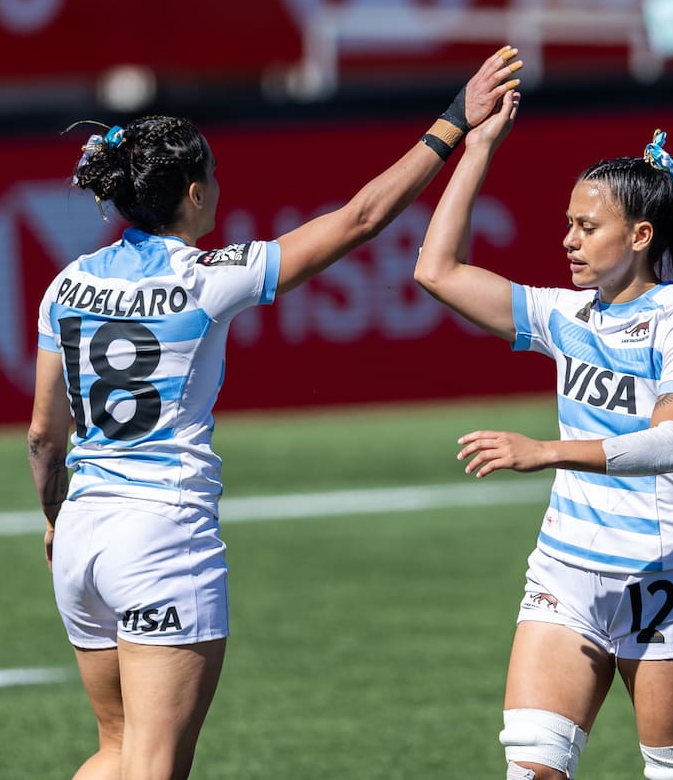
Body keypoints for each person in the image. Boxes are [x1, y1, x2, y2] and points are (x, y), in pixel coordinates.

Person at [27, 45, 523, 780]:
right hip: (159, 538)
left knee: (116, 751)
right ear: (192, 194)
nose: (220, 187)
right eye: (214, 176)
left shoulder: (66, 284)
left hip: (83, 539)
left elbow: (44, 433)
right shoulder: (206, 278)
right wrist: (453, 123)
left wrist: (53, 516)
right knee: (155, 766)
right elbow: (360, 219)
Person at [413, 92, 673, 780]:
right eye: (567, 224)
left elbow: (668, 443)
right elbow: (436, 271)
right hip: (562, 577)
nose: (567, 240)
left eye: (586, 226)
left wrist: (546, 452)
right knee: (532, 773)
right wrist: (477, 146)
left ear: (639, 236)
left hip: (660, 580)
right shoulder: (565, 313)